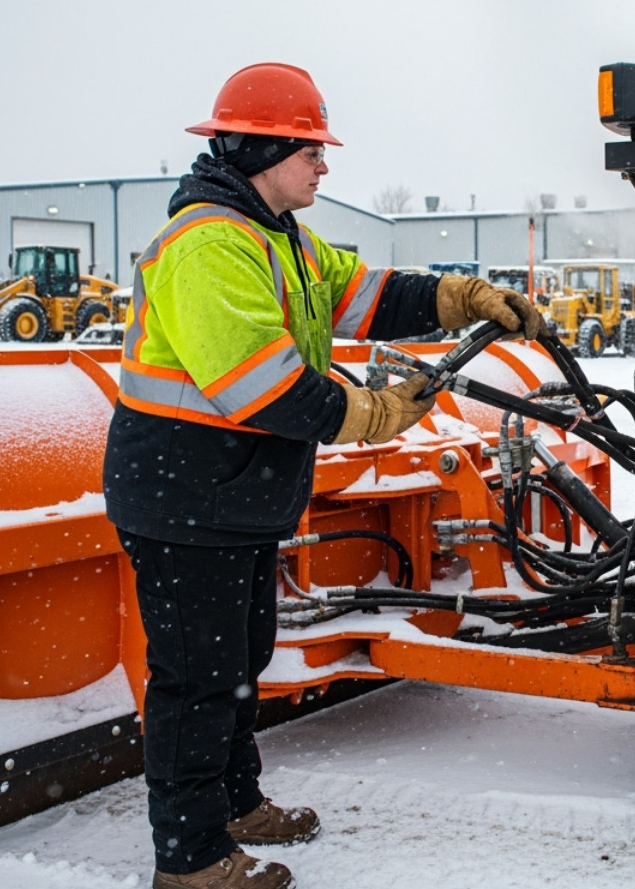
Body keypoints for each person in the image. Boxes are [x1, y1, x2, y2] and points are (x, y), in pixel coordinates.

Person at [103, 62, 545, 889]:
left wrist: (463, 295)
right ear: (265, 148)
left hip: (232, 495)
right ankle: (191, 859)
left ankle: (235, 805)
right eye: (310, 148)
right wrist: (376, 412)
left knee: (242, 659)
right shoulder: (207, 242)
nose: (324, 164)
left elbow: (365, 294)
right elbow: (259, 385)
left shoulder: (282, 238)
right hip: (185, 494)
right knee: (196, 680)